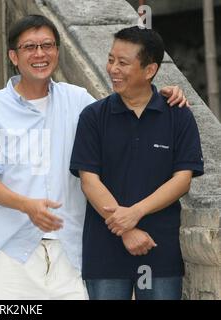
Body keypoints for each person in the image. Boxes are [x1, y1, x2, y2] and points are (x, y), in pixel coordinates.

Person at [0, 15, 189, 300]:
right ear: (13, 55)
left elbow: (125, 108)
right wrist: (27, 206)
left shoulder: (80, 102)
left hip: (69, 251)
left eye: (47, 45)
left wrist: (162, 94)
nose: (40, 54)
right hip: (9, 252)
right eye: (30, 47)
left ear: (57, 52)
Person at [70, 26, 204, 300]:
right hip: (104, 252)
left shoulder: (178, 116)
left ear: (150, 70)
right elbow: (89, 181)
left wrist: (135, 213)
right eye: (110, 60)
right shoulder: (93, 117)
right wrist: (127, 228)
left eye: (123, 63)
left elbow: (182, 180)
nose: (112, 69)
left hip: (159, 250)